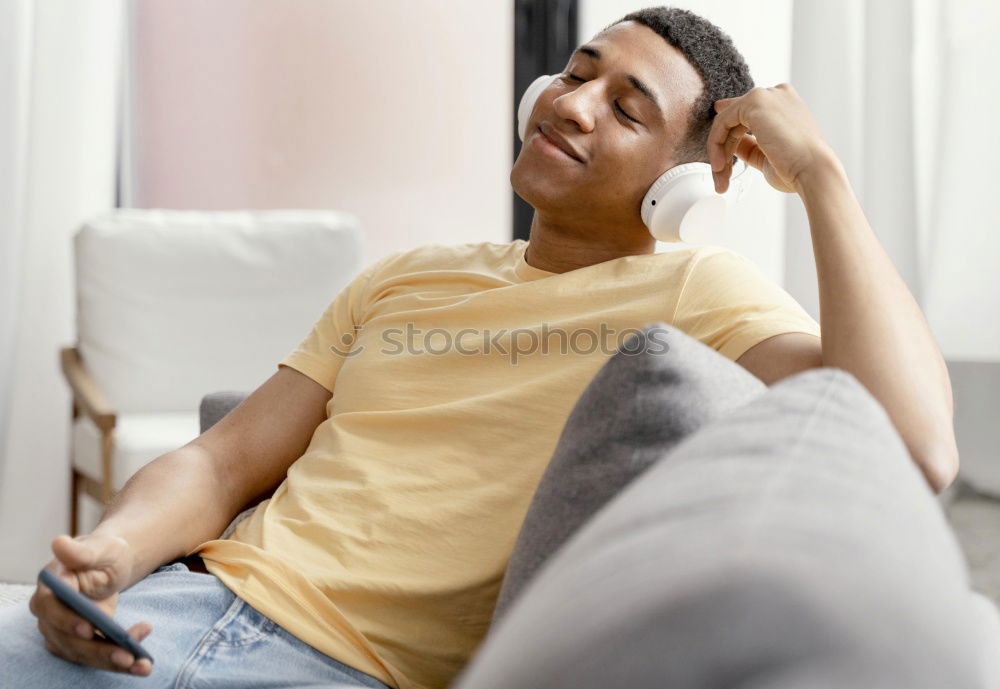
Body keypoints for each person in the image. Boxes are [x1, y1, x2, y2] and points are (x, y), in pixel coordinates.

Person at [1, 6, 959, 689]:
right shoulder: (407, 273)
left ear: (682, 186)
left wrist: (823, 175)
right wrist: (109, 555)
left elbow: (913, 445)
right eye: (578, 73)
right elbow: (224, 459)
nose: (575, 104)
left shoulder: (695, 288)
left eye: (628, 110)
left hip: (334, 669)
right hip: (167, 608)